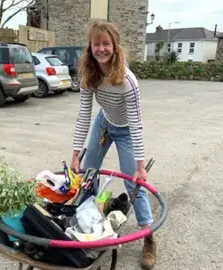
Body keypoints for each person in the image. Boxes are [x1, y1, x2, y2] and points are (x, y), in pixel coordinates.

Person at [70, 21, 157, 270]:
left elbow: (137, 124)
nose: (101, 49)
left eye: (106, 43)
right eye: (96, 44)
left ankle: (148, 236)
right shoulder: (89, 73)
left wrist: (140, 166)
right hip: (104, 123)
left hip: (127, 130)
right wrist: (76, 154)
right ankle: (86, 224)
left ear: (115, 46)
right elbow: (84, 115)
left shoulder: (128, 81)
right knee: (88, 173)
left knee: (134, 182)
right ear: (90, 47)